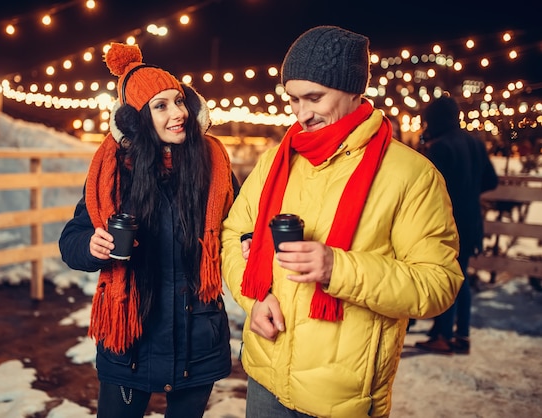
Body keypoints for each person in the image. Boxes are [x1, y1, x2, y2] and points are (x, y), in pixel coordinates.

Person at [220, 25, 464, 418]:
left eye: (314, 97)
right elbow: (232, 235)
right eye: (293, 99)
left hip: (342, 397)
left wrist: (338, 267)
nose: (302, 113)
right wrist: (254, 299)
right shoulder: (278, 160)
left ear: (354, 90)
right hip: (266, 376)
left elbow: (439, 283)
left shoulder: (410, 175)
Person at [59, 43, 239, 418]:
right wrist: (92, 247)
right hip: (130, 340)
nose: (178, 114)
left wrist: (250, 239)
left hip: (196, 336)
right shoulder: (115, 176)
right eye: (161, 106)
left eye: (179, 101)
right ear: (136, 119)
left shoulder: (213, 167)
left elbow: (240, 225)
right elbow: (71, 239)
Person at [414, 95, 499, 354]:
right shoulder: (474, 143)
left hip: (449, 222)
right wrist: (470, 190)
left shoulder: (440, 147)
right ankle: (461, 334)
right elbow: (491, 181)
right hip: (472, 220)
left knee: (449, 278)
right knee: (460, 277)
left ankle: (444, 336)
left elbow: (431, 190)